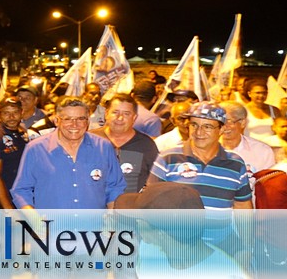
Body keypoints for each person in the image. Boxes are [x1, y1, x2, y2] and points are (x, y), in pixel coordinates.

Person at [147, 101, 253, 270]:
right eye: (194, 125)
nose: (199, 132)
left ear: (222, 129)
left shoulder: (235, 163)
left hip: (223, 248)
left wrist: (247, 247)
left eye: (207, 127)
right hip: (178, 251)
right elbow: (149, 204)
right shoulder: (169, 157)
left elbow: (243, 206)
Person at [11, 96, 126, 209]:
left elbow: (115, 187)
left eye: (80, 119)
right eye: (68, 119)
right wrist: (35, 221)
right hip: (50, 226)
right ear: (57, 121)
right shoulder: (35, 149)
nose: (74, 124)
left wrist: (113, 218)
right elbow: (21, 191)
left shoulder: (103, 147)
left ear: (88, 121)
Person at [114, 183, 248, 279]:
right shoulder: (149, 250)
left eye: (139, 221)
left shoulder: (224, 274)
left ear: (160, 233)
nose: (136, 224)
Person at [90, 93, 159, 193]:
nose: (120, 118)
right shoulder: (89, 140)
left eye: (126, 113)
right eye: (115, 112)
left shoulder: (146, 145)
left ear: (134, 117)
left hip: (130, 207)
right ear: (106, 114)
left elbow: (154, 184)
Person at [0, 97, 29, 208]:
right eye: (6, 113)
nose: (11, 117)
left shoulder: (23, 133)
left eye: (15, 112)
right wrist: (8, 210)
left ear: (22, 113)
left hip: (24, 198)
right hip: (8, 202)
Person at [218, 101, 276, 186]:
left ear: (243, 123)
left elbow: (268, 185)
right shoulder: (206, 149)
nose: (224, 126)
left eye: (229, 121)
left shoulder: (262, 151)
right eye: (220, 121)